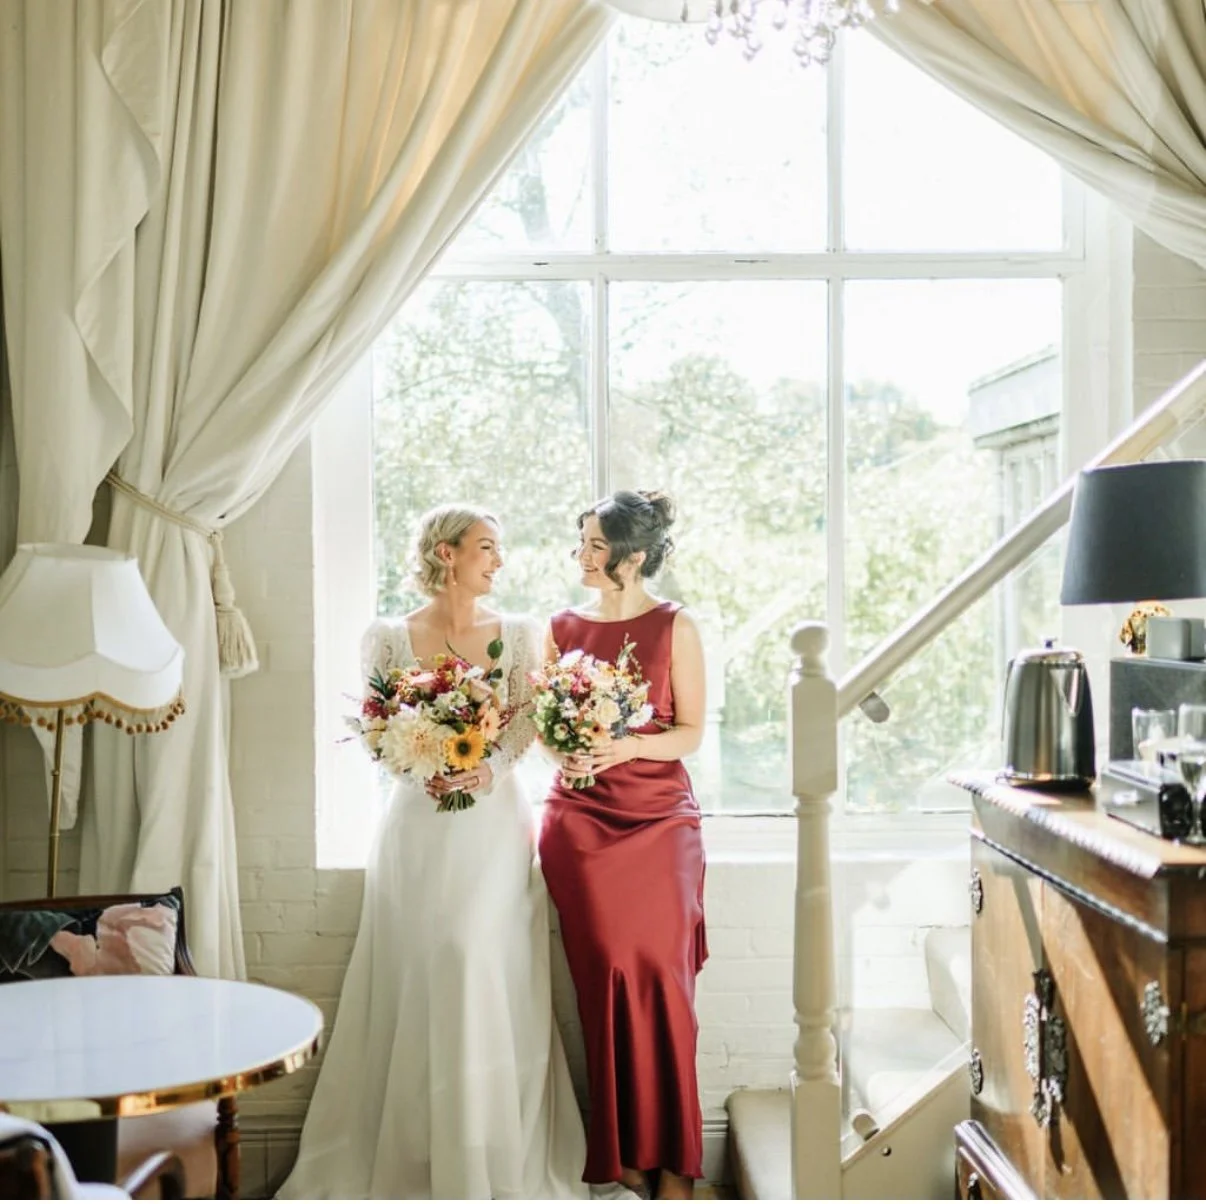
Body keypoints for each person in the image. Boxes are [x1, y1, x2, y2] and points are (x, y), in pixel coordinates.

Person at [279, 504, 587, 1201]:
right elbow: (377, 729)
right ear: (446, 553)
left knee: (475, 958)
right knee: (419, 970)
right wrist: (420, 763)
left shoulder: (518, 634)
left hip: (492, 825)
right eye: (487, 547)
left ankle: (486, 1149)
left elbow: (524, 725)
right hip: (418, 824)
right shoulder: (388, 638)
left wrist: (483, 769)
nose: (499, 560)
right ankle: (417, 1153)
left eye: (499, 549)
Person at [538, 490, 708, 1202]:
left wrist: (625, 746)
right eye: (580, 541)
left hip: (661, 821)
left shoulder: (675, 626)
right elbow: (545, 728)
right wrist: (571, 754)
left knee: (666, 980)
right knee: (604, 978)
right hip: (581, 823)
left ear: (633, 557)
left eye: (595, 545)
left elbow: (690, 732)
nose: (581, 554)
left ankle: (678, 1163)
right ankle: (625, 1158)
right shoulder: (559, 627)